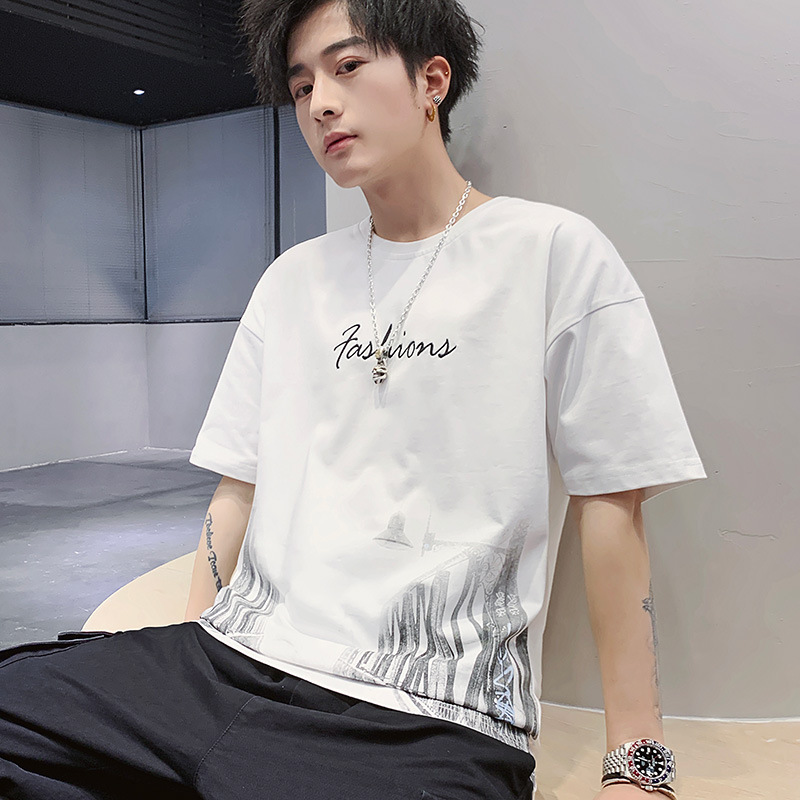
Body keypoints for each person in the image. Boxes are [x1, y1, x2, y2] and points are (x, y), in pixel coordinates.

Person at [0, 1, 706, 798]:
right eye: (302, 87)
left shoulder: (553, 253)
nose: (321, 104)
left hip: (423, 716)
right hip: (230, 661)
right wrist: (185, 659)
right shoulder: (290, 280)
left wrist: (638, 767)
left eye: (347, 67)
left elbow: (612, 502)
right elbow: (237, 487)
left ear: (432, 80)